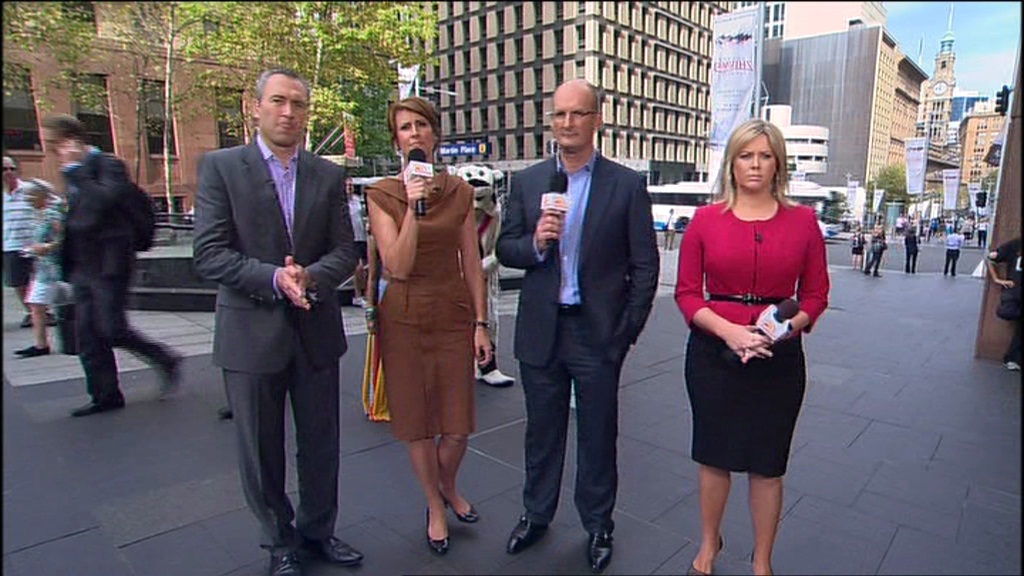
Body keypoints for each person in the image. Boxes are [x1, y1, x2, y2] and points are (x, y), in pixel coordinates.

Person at [192, 68, 363, 576]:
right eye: (278, 101)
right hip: (250, 334)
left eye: (298, 104)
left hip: (315, 333)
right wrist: (273, 278)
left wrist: (310, 277)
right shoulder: (221, 168)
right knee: (260, 451)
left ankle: (318, 532)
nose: (288, 112)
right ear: (256, 107)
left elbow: (345, 250)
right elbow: (209, 253)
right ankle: (278, 541)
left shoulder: (326, 175)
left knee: (321, 445)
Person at [496, 79, 659, 574]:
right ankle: (536, 514)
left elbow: (645, 266)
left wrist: (624, 333)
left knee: (597, 437)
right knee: (541, 434)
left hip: (597, 336)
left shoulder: (624, 185)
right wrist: (536, 244)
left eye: (578, 113)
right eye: (560, 114)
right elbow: (505, 248)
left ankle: (598, 525)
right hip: (541, 332)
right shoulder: (529, 182)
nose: (567, 123)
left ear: (596, 120)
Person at [675, 118, 829, 576]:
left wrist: (781, 331)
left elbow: (816, 295)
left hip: (778, 359)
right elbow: (687, 294)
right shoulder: (705, 221)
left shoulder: (804, 222)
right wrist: (731, 332)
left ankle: (762, 560)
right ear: (732, 163)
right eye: (746, 155)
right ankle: (709, 545)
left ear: (778, 163)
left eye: (765, 155)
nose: (755, 164)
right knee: (713, 455)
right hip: (714, 354)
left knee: (767, 464)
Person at [365, 97, 492, 556]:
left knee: (457, 426)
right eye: (404, 127)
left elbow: (472, 262)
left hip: (451, 312)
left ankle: (447, 484)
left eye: (421, 124)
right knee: (417, 423)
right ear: (397, 140)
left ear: (435, 134)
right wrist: (413, 208)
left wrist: (481, 323)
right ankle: (435, 505)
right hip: (403, 315)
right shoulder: (382, 194)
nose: (414, 133)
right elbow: (397, 265)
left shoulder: (458, 191)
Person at [41, 114, 182, 417]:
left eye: (54, 144)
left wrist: (78, 172)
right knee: (87, 335)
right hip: (81, 265)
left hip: (109, 264)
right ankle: (104, 395)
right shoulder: (74, 173)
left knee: (111, 327)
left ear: (70, 140)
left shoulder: (107, 166)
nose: (52, 151)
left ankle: (164, 358)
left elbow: (99, 206)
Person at [456, 164, 516, 387]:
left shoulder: (495, 216)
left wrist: (483, 267)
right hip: (456, 277)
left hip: (484, 276)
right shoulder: (452, 215)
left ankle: (487, 365)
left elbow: (499, 249)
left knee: (489, 318)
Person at [14, 179, 65, 358]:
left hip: (54, 268)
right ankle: (41, 344)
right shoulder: (39, 213)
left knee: (40, 303)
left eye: (30, 195)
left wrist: (47, 247)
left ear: (41, 195)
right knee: (36, 304)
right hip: (44, 268)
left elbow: (64, 238)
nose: (27, 199)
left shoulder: (53, 214)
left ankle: (43, 344)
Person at [3, 156, 40, 329]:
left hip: (34, 243)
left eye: (12, 168)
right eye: (4, 169)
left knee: (39, 279)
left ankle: (43, 311)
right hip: (10, 243)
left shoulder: (29, 189)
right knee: (18, 282)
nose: (9, 172)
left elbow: (48, 205)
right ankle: (31, 312)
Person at [987, 236, 1021, 371]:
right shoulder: (1015, 244)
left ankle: (1013, 359)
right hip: (1014, 293)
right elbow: (990, 259)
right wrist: (997, 279)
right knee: (1007, 312)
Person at [347, 179, 368, 307]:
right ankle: (357, 295)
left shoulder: (357, 200)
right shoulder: (340, 202)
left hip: (361, 236)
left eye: (351, 185)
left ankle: (365, 294)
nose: (349, 188)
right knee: (358, 267)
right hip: (350, 238)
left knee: (365, 268)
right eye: (347, 185)